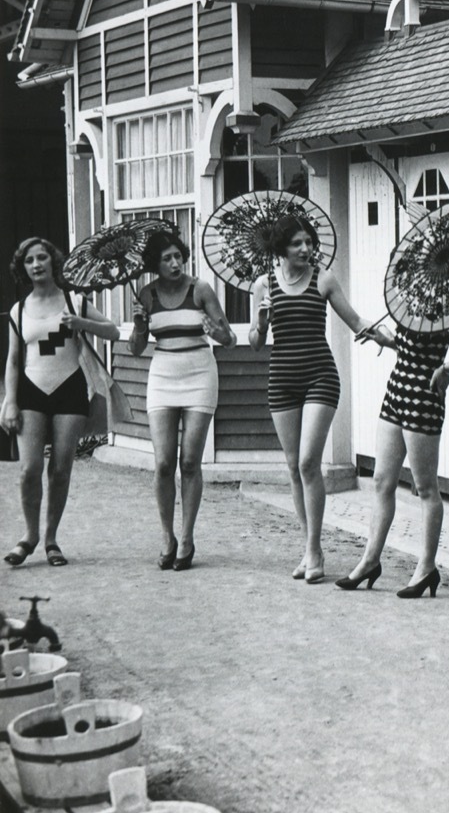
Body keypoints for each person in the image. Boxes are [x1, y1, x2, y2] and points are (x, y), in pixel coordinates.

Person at [248, 215, 393, 583]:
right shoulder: (263, 285)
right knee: (294, 465)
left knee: (309, 461)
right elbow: (255, 342)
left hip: (320, 377)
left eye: (308, 242)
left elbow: (356, 321)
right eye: (297, 243)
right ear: (281, 248)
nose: (305, 249)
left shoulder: (323, 279)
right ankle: (309, 548)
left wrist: (385, 337)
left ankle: (314, 552)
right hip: (282, 380)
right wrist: (262, 322)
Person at [2, 238, 119, 567]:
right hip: (31, 391)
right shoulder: (19, 310)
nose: (36, 264)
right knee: (29, 469)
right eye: (29, 261)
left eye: (42, 258)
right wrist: (10, 402)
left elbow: (112, 332)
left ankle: (51, 539)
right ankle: (29, 536)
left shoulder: (74, 301)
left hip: (69, 388)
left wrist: (82, 324)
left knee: (61, 469)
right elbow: (13, 360)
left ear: (53, 262)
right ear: (23, 268)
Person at [334, 329, 449, 595]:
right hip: (396, 389)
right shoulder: (409, 305)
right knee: (381, 480)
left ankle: (427, 568)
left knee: (426, 487)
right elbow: (409, 349)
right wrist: (389, 341)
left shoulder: (448, 310)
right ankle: (370, 561)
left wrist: (446, 367)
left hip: (424, 395)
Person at [129, 230, 235, 571]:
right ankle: (167, 537)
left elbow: (230, 338)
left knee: (190, 462)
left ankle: (187, 538)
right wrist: (139, 324)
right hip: (163, 376)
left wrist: (216, 332)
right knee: (163, 463)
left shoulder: (200, 289)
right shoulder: (146, 294)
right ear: (155, 264)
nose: (175, 263)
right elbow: (136, 348)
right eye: (167, 258)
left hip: (200, 374)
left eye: (178, 256)